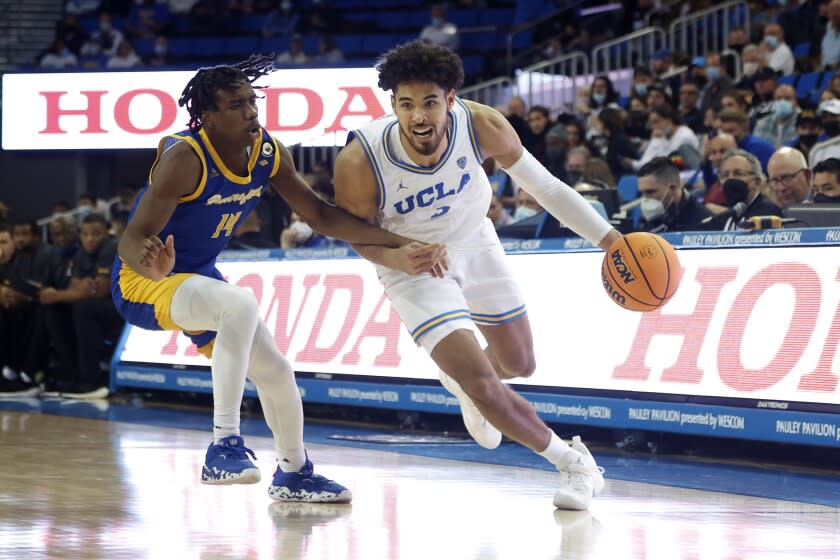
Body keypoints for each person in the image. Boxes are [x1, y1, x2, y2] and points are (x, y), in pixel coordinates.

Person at [111, 55, 444, 502]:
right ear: (206, 117)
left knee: (275, 371)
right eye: (235, 105)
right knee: (239, 304)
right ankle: (223, 445)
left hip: (199, 281)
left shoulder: (268, 152)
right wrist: (148, 262)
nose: (250, 111)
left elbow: (322, 215)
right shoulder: (184, 158)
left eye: (252, 101)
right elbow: (132, 238)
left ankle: (294, 472)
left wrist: (395, 241)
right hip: (143, 281)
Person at [332, 40, 620, 510]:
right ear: (393, 105)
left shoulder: (481, 123)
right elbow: (357, 236)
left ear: (450, 99)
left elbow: (544, 185)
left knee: (520, 363)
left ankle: (463, 382)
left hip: (477, 241)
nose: (418, 116)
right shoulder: (361, 159)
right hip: (413, 266)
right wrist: (400, 259)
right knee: (486, 385)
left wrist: (610, 241)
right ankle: (574, 463)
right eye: (406, 104)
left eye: (429, 102)